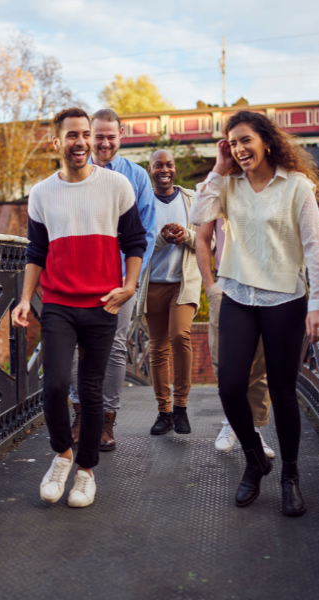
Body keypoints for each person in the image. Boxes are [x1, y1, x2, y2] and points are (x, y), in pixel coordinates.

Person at [189, 110, 319, 517]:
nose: (239, 149)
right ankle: (255, 460)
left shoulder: (296, 186)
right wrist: (218, 169)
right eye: (232, 143)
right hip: (237, 292)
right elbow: (198, 217)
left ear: (266, 141)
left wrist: (318, 303)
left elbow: (315, 246)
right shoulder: (227, 185)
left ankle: (289, 475)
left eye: (245, 140)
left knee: (284, 392)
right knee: (230, 386)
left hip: (285, 297)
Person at [11, 108, 146, 508]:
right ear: (57, 142)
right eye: (73, 135)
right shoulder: (41, 194)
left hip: (103, 303)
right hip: (57, 302)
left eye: (86, 134)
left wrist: (129, 286)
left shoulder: (118, 185)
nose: (82, 142)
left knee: (91, 392)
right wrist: (23, 298)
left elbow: (134, 242)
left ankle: (86, 472)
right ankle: (62, 456)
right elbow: (36, 251)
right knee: (53, 385)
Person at [68, 109, 157, 452]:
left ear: (121, 134)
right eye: (97, 136)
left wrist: (128, 279)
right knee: (80, 345)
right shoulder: (73, 174)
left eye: (110, 136)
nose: (103, 143)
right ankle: (80, 416)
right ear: (88, 135)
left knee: (116, 347)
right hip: (79, 277)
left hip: (121, 277)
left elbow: (146, 232)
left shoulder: (136, 177)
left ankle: (106, 422)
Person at [195, 220, 275, 458]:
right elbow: (202, 237)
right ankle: (234, 420)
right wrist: (210, 286)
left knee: (260, 361)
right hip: (227, 284)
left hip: (267, 282)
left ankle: (255, 428)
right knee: (225, 360)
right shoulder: (220, 185)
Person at [136, 149, 201, 435]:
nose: (165, 169)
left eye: (170, 164)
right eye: (158, 165)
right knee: (158, 347)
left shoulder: (191, 200)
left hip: (183, 283)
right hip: (152, 286)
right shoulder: (141, 202)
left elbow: (208, 243)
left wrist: (186, 235)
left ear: (175, 169)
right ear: (150, 170)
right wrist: (160, 239)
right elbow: (134, 246)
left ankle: (182, 408)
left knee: (180, 335)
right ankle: (164, 412)